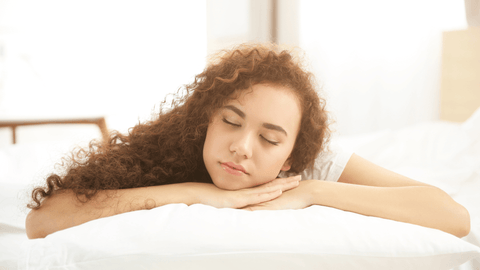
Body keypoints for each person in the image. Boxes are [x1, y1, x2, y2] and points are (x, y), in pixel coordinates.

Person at [25, 43, 470, 239]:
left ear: (292, 153)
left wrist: (313, 192)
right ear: (206, 121)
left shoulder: (312, 165)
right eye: (231, 122)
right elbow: (42, 220)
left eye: (270, 139)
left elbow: (451, 214)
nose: (242, 146)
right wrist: (196, 193)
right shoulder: (174, 147)